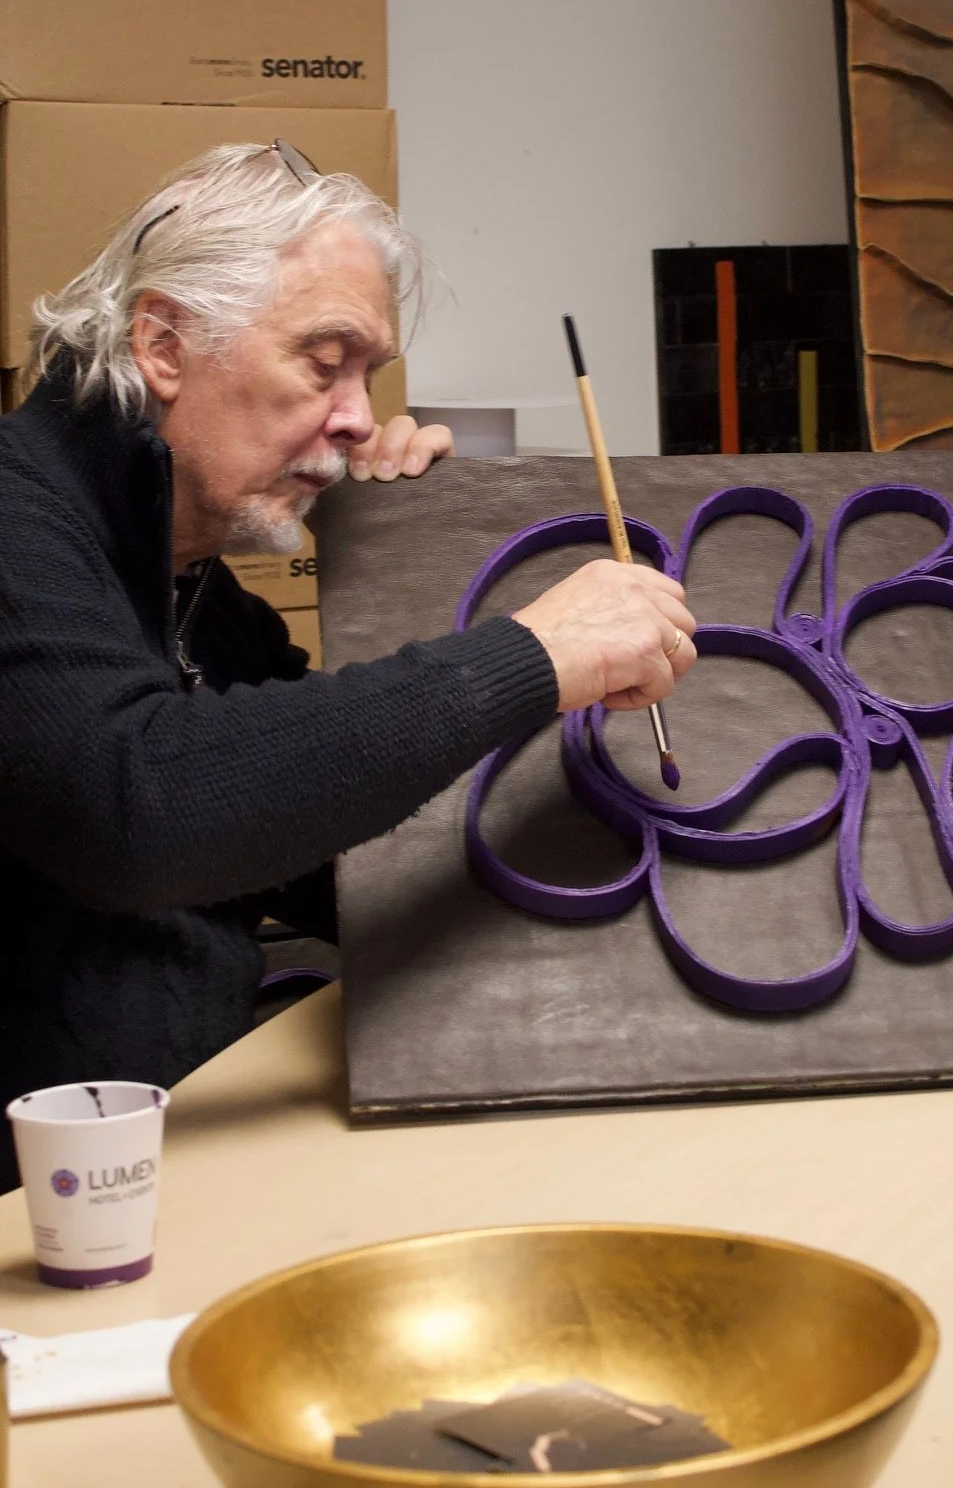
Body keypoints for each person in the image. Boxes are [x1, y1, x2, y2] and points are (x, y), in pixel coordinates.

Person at [0, 142, 695, 1188]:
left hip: (181, 1150)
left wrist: (422, 559)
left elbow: (337, 859)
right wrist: (529, 654)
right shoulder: (20, 528)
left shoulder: (197, 590)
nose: (361, 416)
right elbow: (140, 811)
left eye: (367, 375)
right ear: (163, 346)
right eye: (323, 364)